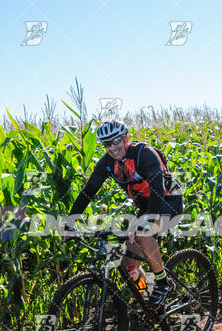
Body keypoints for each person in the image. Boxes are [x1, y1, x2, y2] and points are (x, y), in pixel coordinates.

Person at [62, 121, 183, 307]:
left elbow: (158, 187)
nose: (112, 147)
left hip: (168, 203)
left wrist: (149, 219)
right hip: (146, 207)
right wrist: (69, 222)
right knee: (128, 264)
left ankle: (162, 282)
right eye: (106, 144)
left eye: (116, 141)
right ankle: (149, 302)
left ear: (126, 138)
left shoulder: (145, 154)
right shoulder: (107, 163)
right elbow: (88, 192)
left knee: (142, 232)